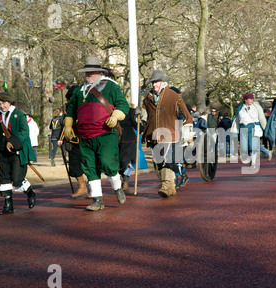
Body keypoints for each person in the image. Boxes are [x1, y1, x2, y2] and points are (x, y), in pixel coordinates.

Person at [63, 56, 129, 211]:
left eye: (91, 72)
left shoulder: (111, 87)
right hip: (85, 136)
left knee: (107, 163)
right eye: (86, 72)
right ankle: (97, 199)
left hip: (105, 133)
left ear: (99, 71)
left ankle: (117, 187)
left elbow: (123, 105)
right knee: (89, 167)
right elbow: (71, 110)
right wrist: (68, 125)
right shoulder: (79, 91)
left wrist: (115, 116)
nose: (88, 75)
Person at [141, 69, 194, 197]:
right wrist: (139, 114)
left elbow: (187, 116)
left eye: (157, 82)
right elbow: (144, 114)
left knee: (165, 159)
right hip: (154, 134)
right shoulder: (148, 98)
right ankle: (170, 187)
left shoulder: (173, 96)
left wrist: (186, 130)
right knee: (158, 162)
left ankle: (165, 185)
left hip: (170, 132)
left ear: (163, 82)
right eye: (153, 83)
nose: (154, 85)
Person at [0, 92, 37, 215]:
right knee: (4, 178)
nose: (1, 105)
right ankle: (8, 205)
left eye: (4, 103)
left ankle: (30, 193)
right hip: (2, 152)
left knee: (17, 179)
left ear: (9, 102)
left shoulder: (18, 115)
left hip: (17, 152)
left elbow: (24, 132)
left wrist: (12, 142)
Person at [57, 83, 90, 199]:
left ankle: (94, 188)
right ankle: (82, 187)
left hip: (87, 139)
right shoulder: (68, 108)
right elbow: (65, 124)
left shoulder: (87, 105)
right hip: (73, 140)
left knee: (90, 165)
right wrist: (60, 138)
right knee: (74, 166)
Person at [231, 94, 267, 168]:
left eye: (252, 99)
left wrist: (265, 128)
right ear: (245, 100)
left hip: (254, 127)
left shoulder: (257, 107)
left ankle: (253, 163)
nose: (251, 100)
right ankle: (251, 159)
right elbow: (236, 120)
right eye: (249, 99)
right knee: (244, 147)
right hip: (243, 128)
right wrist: (234, 130)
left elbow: (261, 117)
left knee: (252, 146)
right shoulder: (240, 108)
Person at [118, 107, 145, 191]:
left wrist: (140, 119)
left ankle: (125, 181)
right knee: (118, 164)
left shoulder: (130, 111)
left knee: (126, 162)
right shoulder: (109, 110)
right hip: (115, 141)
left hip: (128, 140)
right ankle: (122, 179)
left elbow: (139, 128)